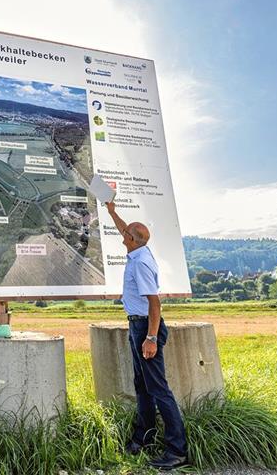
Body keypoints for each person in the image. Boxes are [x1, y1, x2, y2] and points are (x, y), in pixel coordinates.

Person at [105, 201, 188, 470]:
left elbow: (154, 303)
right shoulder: (139, 249)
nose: (122, 235)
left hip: (145, 328)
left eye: (125, 233)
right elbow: (125, 230)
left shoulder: (140, 263)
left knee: (159, 389)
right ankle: (144, 438)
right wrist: (111, 211)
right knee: (142, 386)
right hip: (137, 326)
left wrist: (150, 338)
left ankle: (177, 450)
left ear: (131, 239)